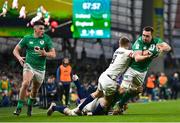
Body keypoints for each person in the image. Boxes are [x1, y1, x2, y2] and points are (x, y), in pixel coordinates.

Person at [74, 37, 151, 115]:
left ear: (119, 43)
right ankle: (92, 114)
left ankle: (79, 109)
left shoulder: (117, 51)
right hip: (110, 80)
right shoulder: (128, 52)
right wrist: (147, 55)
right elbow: (137, 57)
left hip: (103, 76)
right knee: (107, 101)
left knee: (97, 93)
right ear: (128, 44)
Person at [117, 26, 171, 111]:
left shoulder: (156, 41)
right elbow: (137, 58)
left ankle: (122, 103)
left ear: (151, 36)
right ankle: (113, 106)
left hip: (143, 71)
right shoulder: (139, 42)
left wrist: (161, 48)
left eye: (147, 36)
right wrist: (150, 53)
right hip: (131, 69)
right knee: (122, 89)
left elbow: (168, 47)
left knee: (137, 91)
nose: (144, 37)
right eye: (143, 35)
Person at [13, 20, 56, 116]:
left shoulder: (46, 39)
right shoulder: (27, 38)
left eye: (43, 29)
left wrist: (46, 53)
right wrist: (19, 57)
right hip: (29, 65)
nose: (43, 31)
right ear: (35, 29)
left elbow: (53, 54)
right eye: (41, 29)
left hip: (40, 69)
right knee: (25, 83)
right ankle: (19, 107)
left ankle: (29, 106)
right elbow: (15, 50)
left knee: (35, 90)